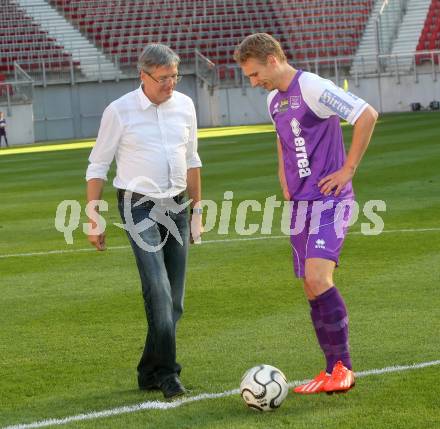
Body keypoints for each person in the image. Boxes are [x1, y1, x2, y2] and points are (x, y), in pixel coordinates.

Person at [234, 33, 378, 394]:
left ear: (271, 59)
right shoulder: (273, 100)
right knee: (310, 289)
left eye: (254, 74)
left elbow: (366, 115)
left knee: (318, 278)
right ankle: (331, 370)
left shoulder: (311, 86)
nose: (253, 83)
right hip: (300, 204)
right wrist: (283, 176)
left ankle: (343, 367)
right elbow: (282, 138)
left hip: (330, 199)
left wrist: (348, 169)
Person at [85, 44, 202, 399]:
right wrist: (94, 218)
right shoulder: (118, 111)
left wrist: (198, 210)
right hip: (138, 207)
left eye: (174, 77)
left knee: (175, 301)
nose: (171, 84)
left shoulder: (185, 106)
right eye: (163, 78)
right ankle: (168, 374)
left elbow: (193, 158)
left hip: (177, 206)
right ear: (144, 76)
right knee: (159, 290)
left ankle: (148, 371)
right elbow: (97, 166)